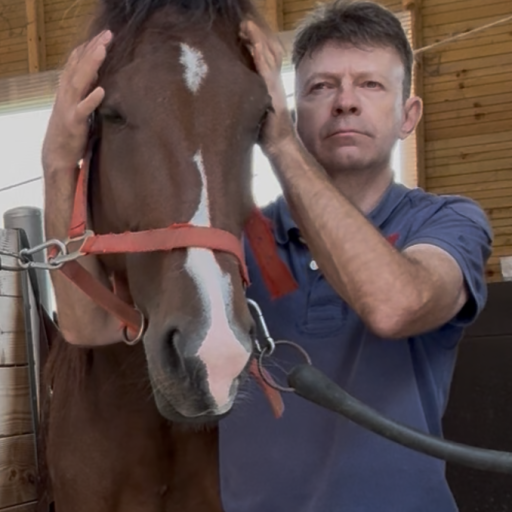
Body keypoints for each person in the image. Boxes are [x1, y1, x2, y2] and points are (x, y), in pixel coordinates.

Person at [42, 1, 492, 511]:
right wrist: (58, 163)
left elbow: (395, 305)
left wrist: (281, 145)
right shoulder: (245, 239)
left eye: (370, 84)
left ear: (408, 116)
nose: (345, 102)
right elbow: (87, 326)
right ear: (292, 109)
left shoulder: (448, 222)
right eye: (321, 87)